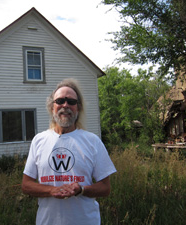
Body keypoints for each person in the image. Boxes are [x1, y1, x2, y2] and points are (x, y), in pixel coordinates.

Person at [22, 78, 116, 225]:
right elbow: (26, 185)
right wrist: (51, 191)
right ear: (52, 107)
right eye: (60, 101)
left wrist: (82, 189)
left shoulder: (93, 142)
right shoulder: (39, 140)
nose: (65, 105)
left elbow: (105, 188)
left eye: (71, 102)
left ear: (78, 108)